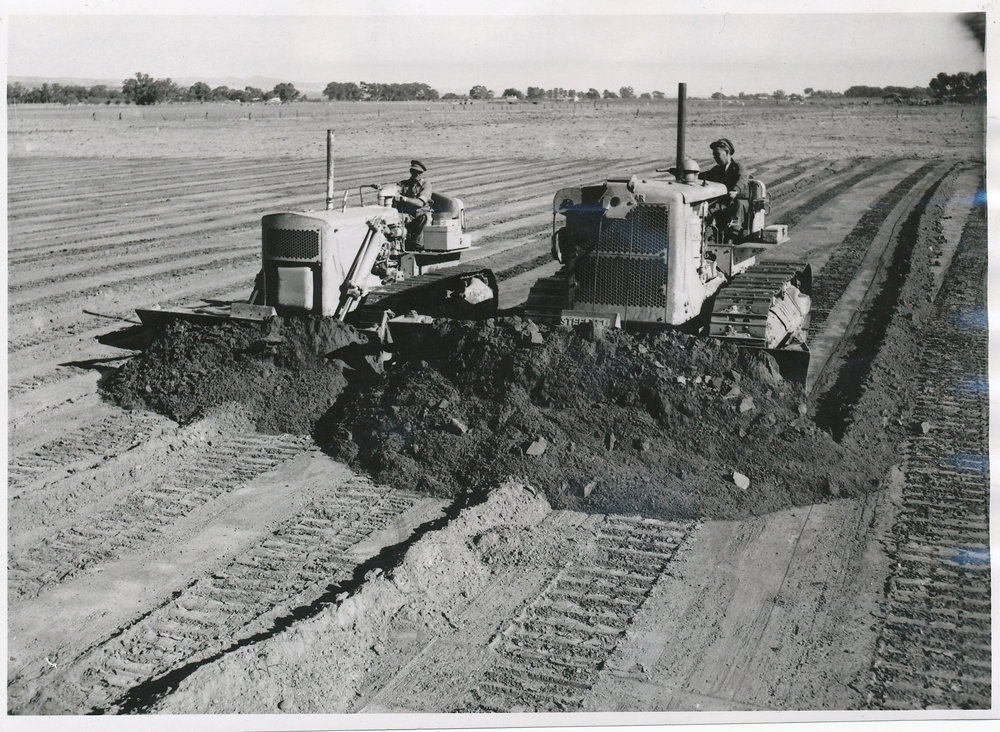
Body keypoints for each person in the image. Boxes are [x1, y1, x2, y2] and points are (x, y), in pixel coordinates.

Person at [698, 138, 749, 243]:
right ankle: (707, 235)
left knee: (738, 207)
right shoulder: (716, 170)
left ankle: (733, 235)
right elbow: (704, 176)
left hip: (739, 200)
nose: (715, 157)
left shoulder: (738, 167)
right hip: (724, 202)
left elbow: (742, 179)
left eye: (717, 154)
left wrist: (735, 191)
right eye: (714, 155)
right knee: (707, 209)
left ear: (727, 152)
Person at [394, 160, 433, 249]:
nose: (416, 175)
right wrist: (383, 188)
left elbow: (419, 203)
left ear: (422, 173)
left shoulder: (426, 184)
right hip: (407, 214)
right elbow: (395, 189)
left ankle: (418, 244)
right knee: (392, 219)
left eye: (419, 173)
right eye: (414, 172)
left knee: (425, 217)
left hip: (421, 213)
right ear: (411, 172)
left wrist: (403, 198)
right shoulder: (404, 184)